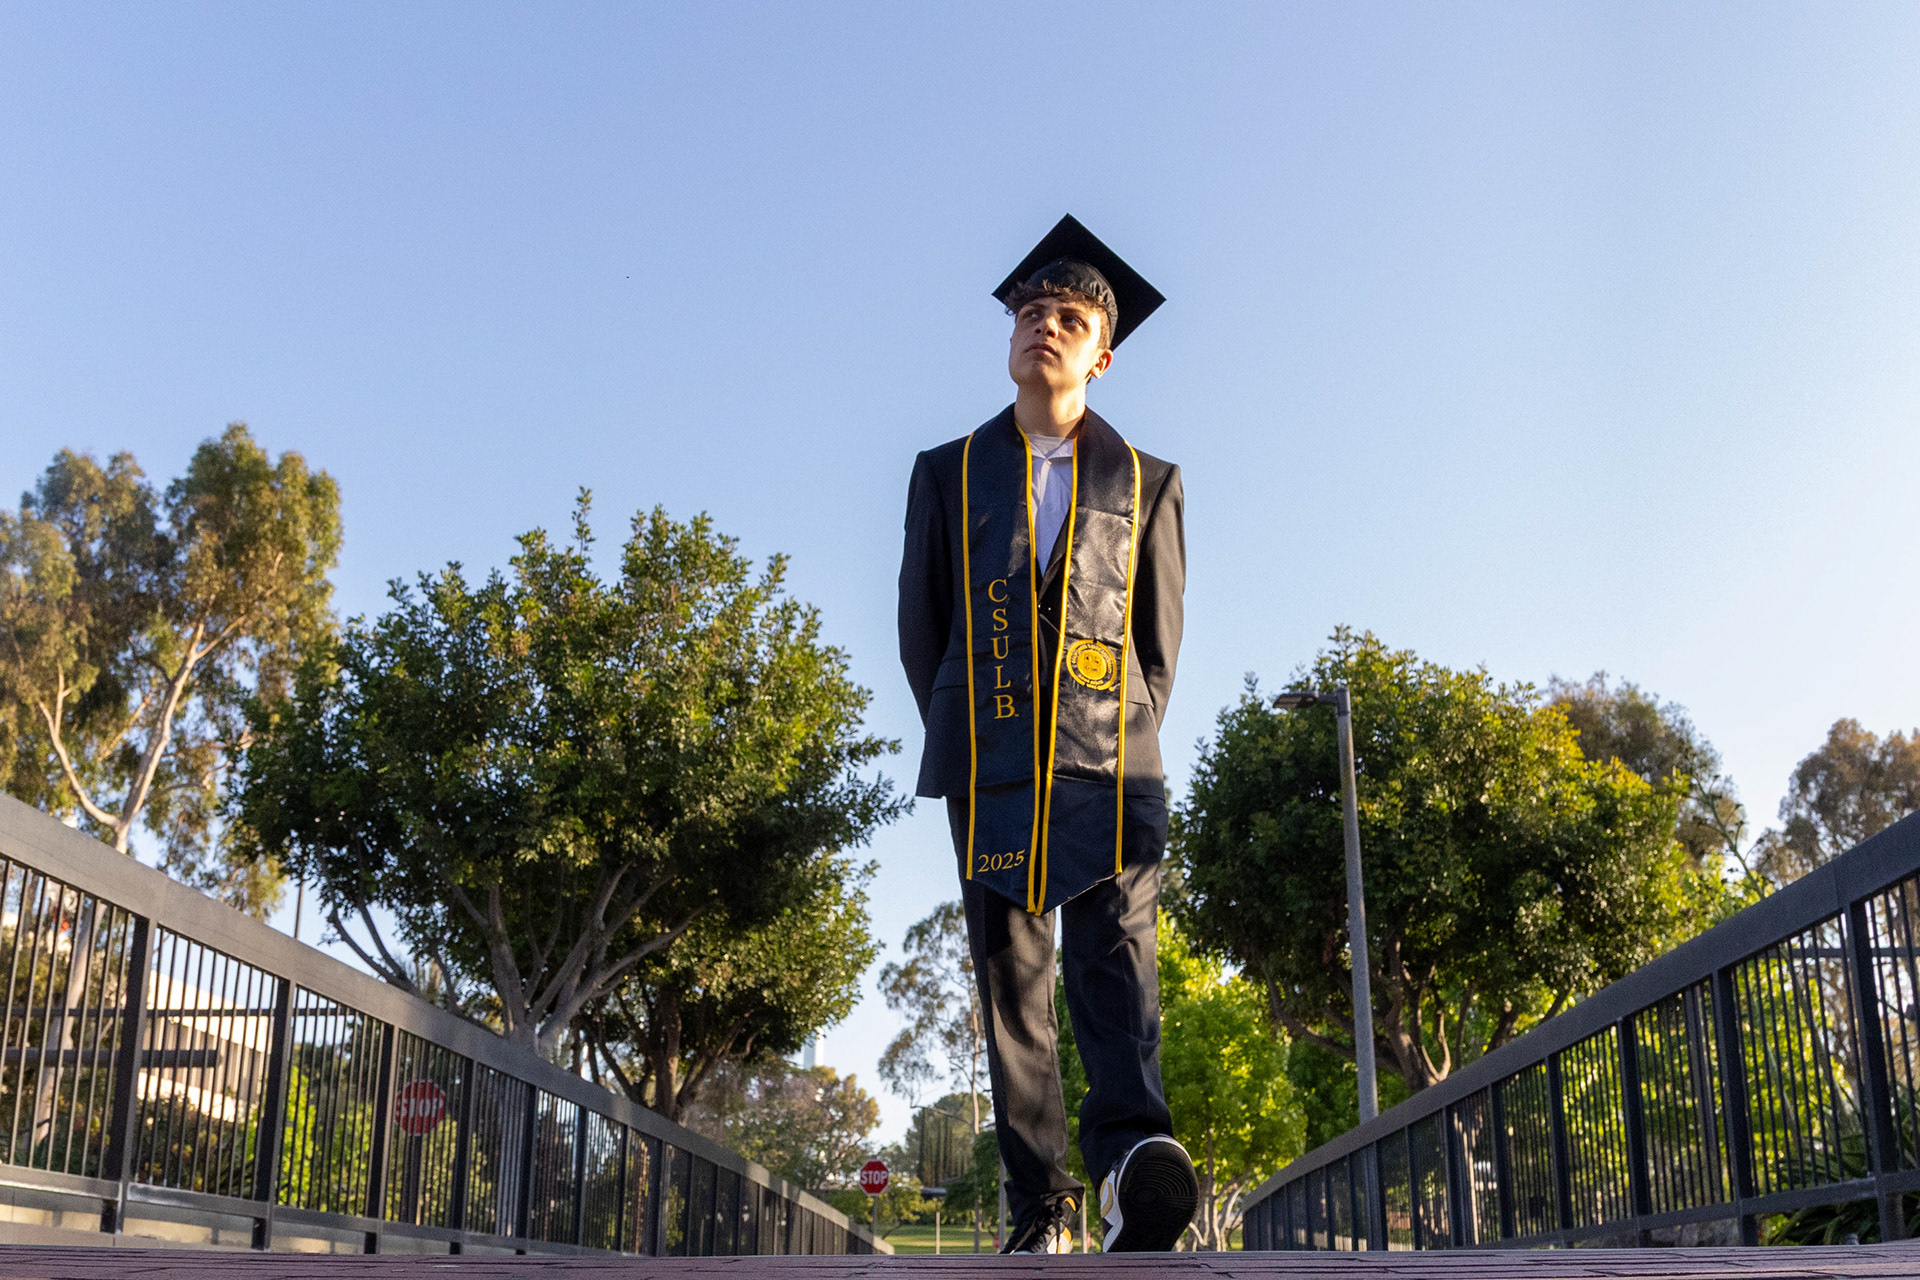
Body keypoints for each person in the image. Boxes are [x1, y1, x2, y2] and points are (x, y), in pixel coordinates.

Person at [897, 216, 1195, 1254]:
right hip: (993, 757)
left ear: (1102, 354)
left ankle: (1132, 1168)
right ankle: (1041, 1207)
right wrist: (976, 728)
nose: (1045, 326)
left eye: (1070, 317)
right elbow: (924, 629)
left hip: (1115, 763)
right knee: (1011, 976)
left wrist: (1119, 732)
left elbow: (1156, 648)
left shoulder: (1149, 482)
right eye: (1031, 311)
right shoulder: (948, 471)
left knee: (1116, 960)